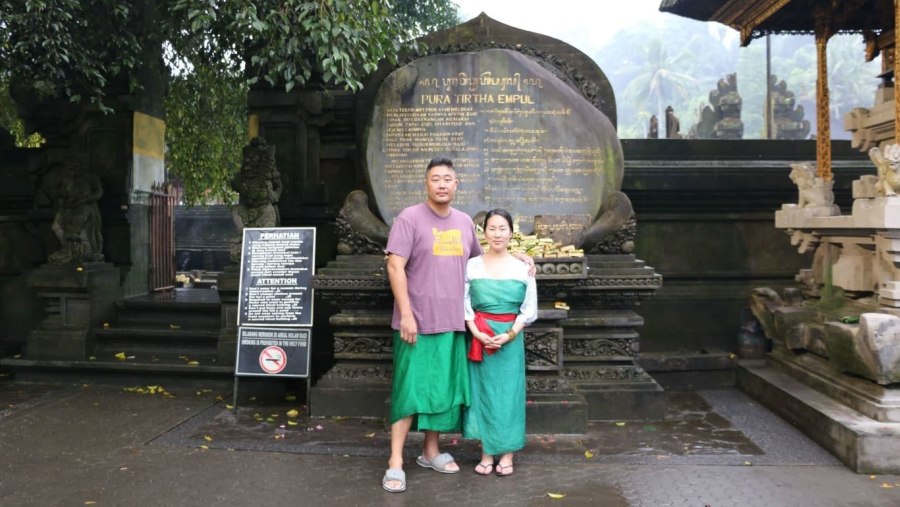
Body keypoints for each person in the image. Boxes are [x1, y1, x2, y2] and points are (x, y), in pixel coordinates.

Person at [382, 157, 483, 493]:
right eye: (435, 178)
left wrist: (522, 260)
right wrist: (407, 314)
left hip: (452, 322)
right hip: (417, 322)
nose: (442, 184)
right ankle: (395, 460)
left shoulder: (465, 222)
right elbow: (395, 267)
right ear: (426, 184)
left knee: (442, 390)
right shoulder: (410, 218)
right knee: (408, 391)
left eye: (448, 179)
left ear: (457, 184)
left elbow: (479, 266)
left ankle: (430, 451)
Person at [463, 209, 537, 477]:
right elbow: (463, 301)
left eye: (502, 228)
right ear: (484, 232)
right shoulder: (471, 265)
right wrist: (474, 330)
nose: (497, 234)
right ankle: (486, 453)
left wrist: (510, 334)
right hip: (479, 336)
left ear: (511, 232)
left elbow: (529, 309)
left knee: (509, 395)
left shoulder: (523, 268)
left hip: (509, 339)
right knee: (482, 394)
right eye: (491, 228)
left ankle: (507, 454)